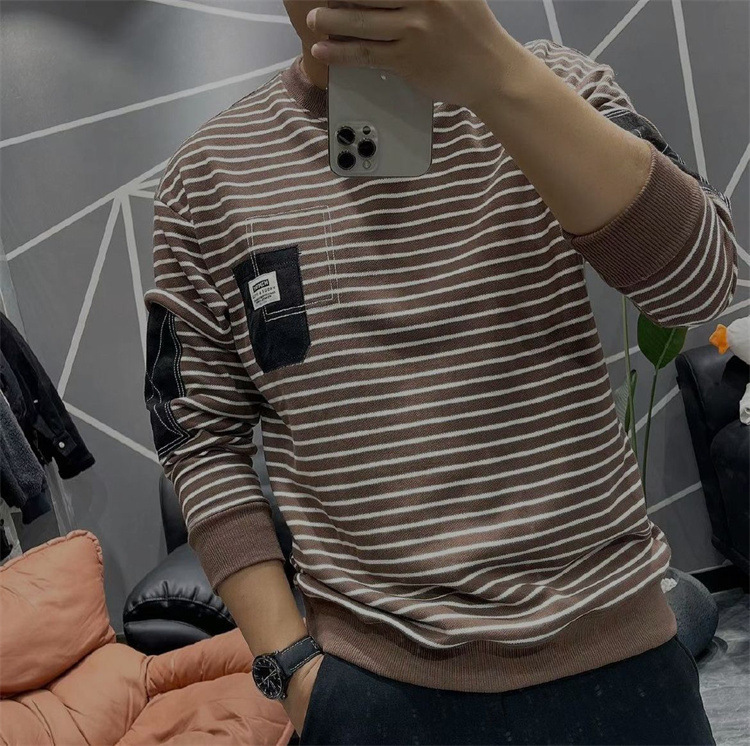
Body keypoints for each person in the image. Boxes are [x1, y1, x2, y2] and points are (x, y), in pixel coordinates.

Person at [143, 1, 737, 743]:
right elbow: (198, 434)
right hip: (371, 687)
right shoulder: (208, 178)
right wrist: (289, 667)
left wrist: (494, 74)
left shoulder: (556, 84)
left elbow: (697, 287)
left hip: (616, 652)